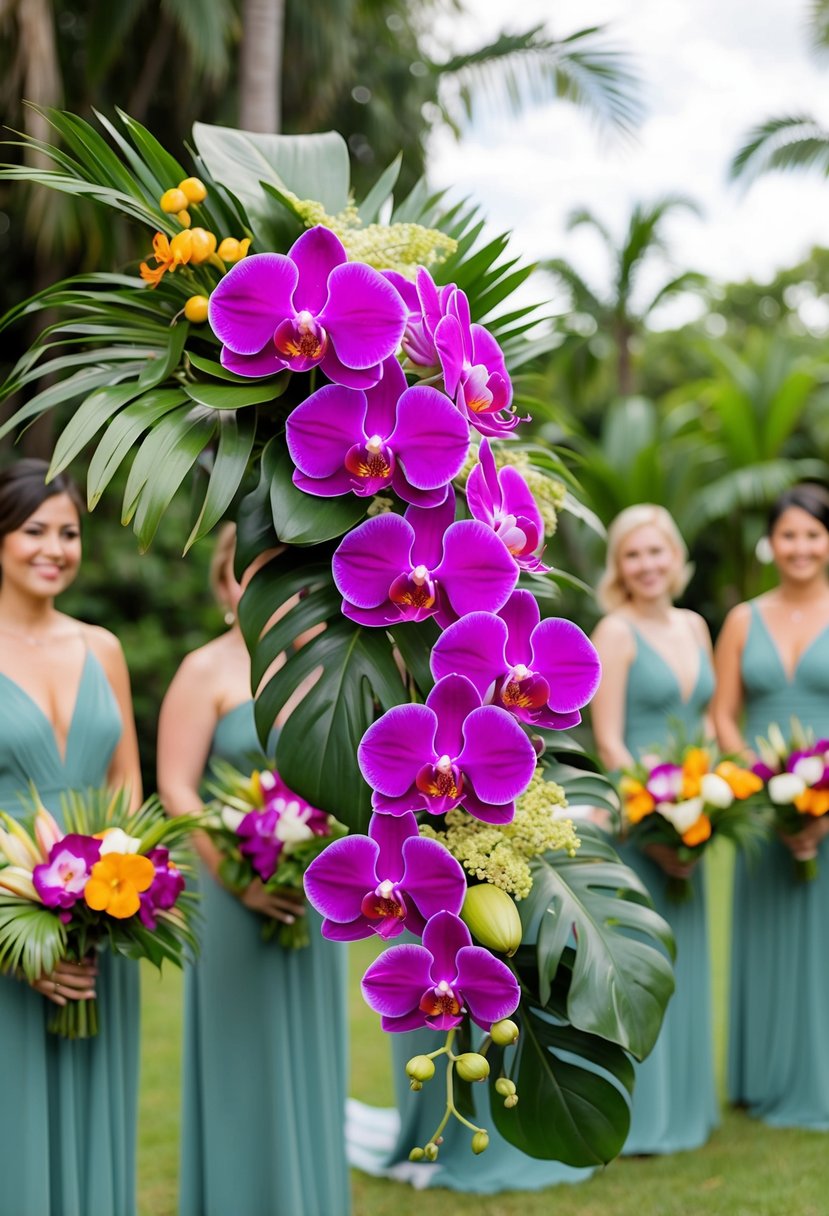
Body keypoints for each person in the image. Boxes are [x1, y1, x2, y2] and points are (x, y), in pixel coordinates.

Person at [156, 523, 350, 1216]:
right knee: (241, 1052)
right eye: (249, 569)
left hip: (314, 891)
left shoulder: (325, 663)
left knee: (310, 1045)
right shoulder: (203, 671)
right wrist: (237, 877)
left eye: (279, 569)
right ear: (224, 582)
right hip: (232, 889)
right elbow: (177, 787)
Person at [0, 457, 143, 1215]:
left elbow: (126, 782)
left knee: (95, 1113)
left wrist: (118, 887)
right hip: (8, 928)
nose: (55, 547)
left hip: (100, 922)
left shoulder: (102, 647)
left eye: (69, 532)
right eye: (34, 530)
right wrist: (18, 936)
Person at [589, 503, 718, 1154]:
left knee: (684, 949)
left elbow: (709, 726)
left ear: (674, 557)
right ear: (618, 566)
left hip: (692, 809)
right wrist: (658, 812)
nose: (646, 565)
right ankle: (642, 1111)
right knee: (641, 958)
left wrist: (710, 801)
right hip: (638, 814)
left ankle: (688, 1102)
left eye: (655, 551)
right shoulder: (613, 632)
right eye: (632, 554)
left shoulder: (695, 627)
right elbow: (607, 740)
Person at [712, 483, 829, 1129]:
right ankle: (763, 1076)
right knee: (766, 932)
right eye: (788, 535)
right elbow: (723, 714)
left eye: (812, 534)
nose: (800, 547)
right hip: (762, 807)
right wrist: (759, 781)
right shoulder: (742, 619)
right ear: (771, 542)